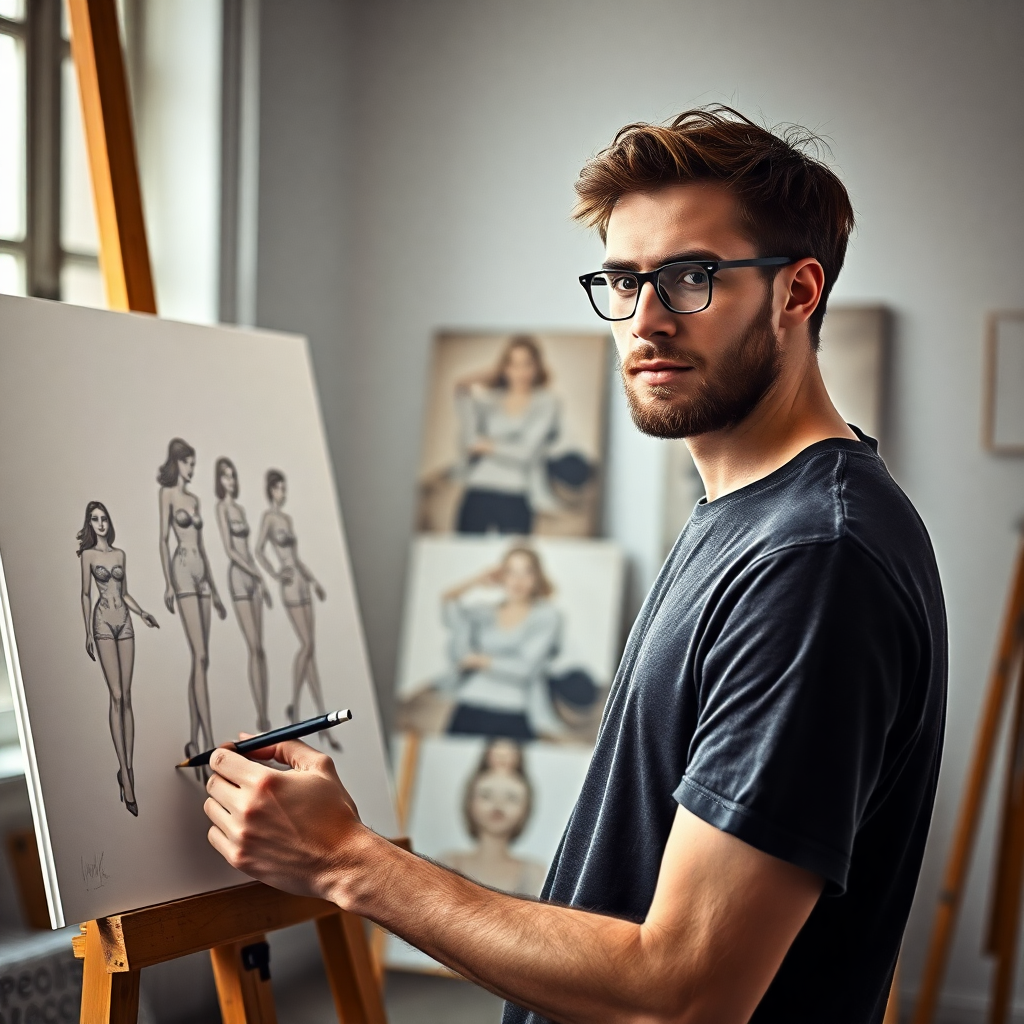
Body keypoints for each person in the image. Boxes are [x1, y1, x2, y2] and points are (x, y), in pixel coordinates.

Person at [203, 107, 946, 1024]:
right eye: (624, 281)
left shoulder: (815, 559)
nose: (646, 321)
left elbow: (685, 992)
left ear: (796, 293)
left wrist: (347, 860)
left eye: (690, 278)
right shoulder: (749, 514)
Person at [77, 501, 158, 817]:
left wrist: (142, 612)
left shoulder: (120, 554)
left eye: (104, 519)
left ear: (109, 523)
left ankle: (128, 769)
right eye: (95, 519)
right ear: (90, 524)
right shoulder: (88, 556)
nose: (100, 524)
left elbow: (124, 592)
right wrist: (87, 632)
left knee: (128, 697)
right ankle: (125, 772)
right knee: (116, 695)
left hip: (125, 621)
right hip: (102, 623)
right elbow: (86, 594)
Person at [435, 546, 563, 741]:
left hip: (514, 710)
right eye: (511, 572)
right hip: (470, 705)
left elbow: (525, 668)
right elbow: (448, 603)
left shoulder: (547, 616)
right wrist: (477, 580)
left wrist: (479, 660)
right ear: (502, 576)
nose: (518, 581)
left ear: (537, 577)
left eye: (527, 572)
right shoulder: (485, 613)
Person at [157, 438, 227, 777]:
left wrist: (215, 590)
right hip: (182, 570)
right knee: (199, 656)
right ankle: (209, 742)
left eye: (194, 463)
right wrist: (168, 583)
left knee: (203, 660)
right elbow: (163, 539)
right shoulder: (167, 495)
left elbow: (203, 546)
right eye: (187, 463)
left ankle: (195, 742)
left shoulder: (195, 500)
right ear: (177, 462)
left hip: (201, 572)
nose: (191, 469)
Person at [256, 469, 338, 748]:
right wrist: (275, 573)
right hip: (289, 583)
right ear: (271, 490)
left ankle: (322, 719)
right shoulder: (269, 518)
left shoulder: (287, 519)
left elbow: (297, 557)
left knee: (311, 651)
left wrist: (314, 581)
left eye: (284, 488)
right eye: (279, 488)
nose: (283, 492)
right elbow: (258, 550)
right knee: (306, 645)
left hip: (302, 582)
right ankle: (295, 706)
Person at [454, 335, 559, 534]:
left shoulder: (547, 402)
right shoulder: (490, 401)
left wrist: (487, 445)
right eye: (513, 364)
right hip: (479, 488)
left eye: (527, 364)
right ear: (505, 368)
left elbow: (526, 453)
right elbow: (469, 435)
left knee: (516, 550)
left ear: (537, 367)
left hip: (517, 492)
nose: (520, 372)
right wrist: (490, 374)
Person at [440, 740, 547, 897]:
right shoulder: (446, 864)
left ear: (525, 809)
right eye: (486, 795)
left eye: (511, 797)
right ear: (470, 802)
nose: (498, 805)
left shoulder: (535, 874)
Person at [215, 457, 272, 732]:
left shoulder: (240, 508)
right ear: (219, 480)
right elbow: (230, 550)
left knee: (261, 648)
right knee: (253, 647)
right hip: (239, 577)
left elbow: (248, 548)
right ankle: (260, 715)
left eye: (233, 476)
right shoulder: (222, 508)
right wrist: (256, 574)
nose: (231, 481)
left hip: (252, 577)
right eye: (226, 476)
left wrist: (258, 577)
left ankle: (264, 712)